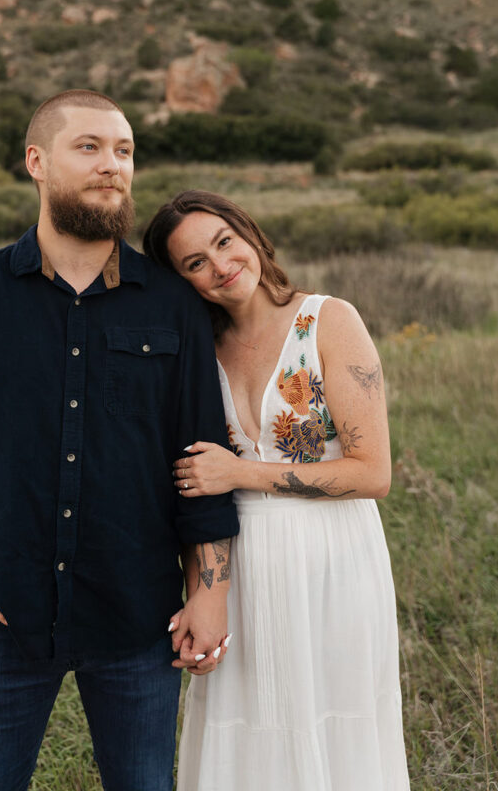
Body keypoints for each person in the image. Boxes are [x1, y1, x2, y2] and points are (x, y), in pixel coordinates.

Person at [0, 92, 239, 791]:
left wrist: (209, 593)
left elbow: (200, 460)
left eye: (124, 150)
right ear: (36, 162)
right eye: (88, 147)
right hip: (1, 612)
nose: (111, 165)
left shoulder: (171, 305)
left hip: (138, 616)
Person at [143, 190, 411, 791]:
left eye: (223, 242)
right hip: (241, 567)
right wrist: (200, 593)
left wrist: (244, 474)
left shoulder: (328, 320)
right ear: (183, 282)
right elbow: (193, 487)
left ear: (249, 235)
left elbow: (373, 473)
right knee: (246, 728)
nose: (219, 265)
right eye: (194, 263)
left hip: (333, 562)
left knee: (333, 725)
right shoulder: (197, 351)